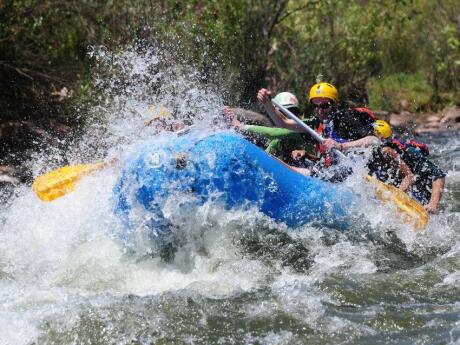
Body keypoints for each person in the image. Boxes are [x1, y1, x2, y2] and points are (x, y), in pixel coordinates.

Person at [257, 82, 379, 175]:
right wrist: (267, 104)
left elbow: (374, 140)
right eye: (315, 106)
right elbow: (283, 123)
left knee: (293, 169)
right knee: (281, 163)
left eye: (324, 106)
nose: (319, 110)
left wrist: (342, 146)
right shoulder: (316, 123)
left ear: (335, 104)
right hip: (328, 172)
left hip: (349, 173)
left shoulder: (345, 118)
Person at [367, 120, 446, 213]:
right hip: (405, 183)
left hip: (421, 185)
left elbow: (439, 175)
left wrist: (433, 204)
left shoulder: (407, 153)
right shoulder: (371, 151)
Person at [224, 92, 316, 165]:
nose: (290, 116)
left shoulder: (305, 126)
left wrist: (240, 126)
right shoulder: (278, 141)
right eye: (285, 112)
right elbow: (265, 157)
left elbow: (272, 133)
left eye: (293, 112)